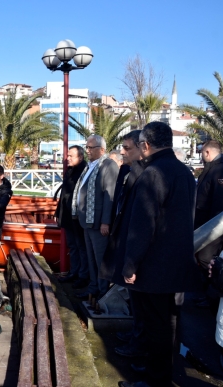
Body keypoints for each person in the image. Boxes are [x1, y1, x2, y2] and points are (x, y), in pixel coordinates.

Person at [115, 122, 202, 387]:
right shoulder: (184, 172)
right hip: (176, 264)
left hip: (154, 266)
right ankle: (159, 372)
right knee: (168, 326)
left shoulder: (153, 173)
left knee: (156, 327)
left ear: (146, 145)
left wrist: (130, 265)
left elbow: (143, 225)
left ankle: (155, 380)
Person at [100, 130, 148, 358]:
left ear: (142, 147)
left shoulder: (147, 174)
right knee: (136, 303)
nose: (122, 151)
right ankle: (134, 335)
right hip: (122, 238)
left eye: (127, 148)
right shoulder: (128, 170)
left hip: (138, 249)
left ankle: (138, 347)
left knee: (143, 306)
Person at [72, 134, 118, 299]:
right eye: (87, 147)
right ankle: (93, 287)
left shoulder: (108, 166)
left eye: (91, 148)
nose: (88, 150)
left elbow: (109, 195)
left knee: (101, 260)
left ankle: (103, 292)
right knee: (91, 259)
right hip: (87, 221)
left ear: (102, 149)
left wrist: (106, 221)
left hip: (99, 223)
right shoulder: (90, 166)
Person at [55, 146, 89, 288]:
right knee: (73, 246)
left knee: (81, 247)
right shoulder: (70, 171)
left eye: (71, 156)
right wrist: (58, 213)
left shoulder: (84, 171)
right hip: (68, 216)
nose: (67, 158)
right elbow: (64, 194)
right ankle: (74, 272)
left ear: (80, 157)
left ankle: (82, 275)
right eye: (68, 155)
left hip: (78, 217)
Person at [195, 140, 223, 309]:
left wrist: (213, 228)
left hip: (213, 227)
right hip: (205, 224)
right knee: (203, 259)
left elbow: (218, 203)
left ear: (207, 153)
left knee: (207, 259)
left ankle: (212, 296)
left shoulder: (219, 169)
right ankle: (207, 294)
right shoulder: (213, 167)